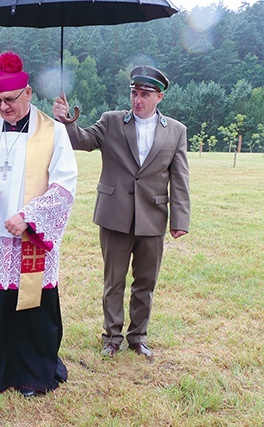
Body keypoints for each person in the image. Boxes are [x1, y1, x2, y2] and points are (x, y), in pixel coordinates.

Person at [52, 65, 190, 359]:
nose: (137, 100)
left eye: (144, 94)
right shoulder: (112, 121)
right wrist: (66, 120)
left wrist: (180, 220)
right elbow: (82, 140)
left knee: (145, 283)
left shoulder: (176, 131)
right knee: (113, 280)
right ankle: (111, 336)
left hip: (152, 218)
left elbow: (180, 179)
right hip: (114, 215)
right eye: (134, 93)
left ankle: (137, 337)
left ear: (159, 97)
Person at [0, 51, 77, 397]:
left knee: (31, 304)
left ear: (27, 92)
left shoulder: (53, 132)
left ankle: (30, 373)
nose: (3, 108)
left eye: (9, 99)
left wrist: (28, 218)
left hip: (29, 239)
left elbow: (64, 185)